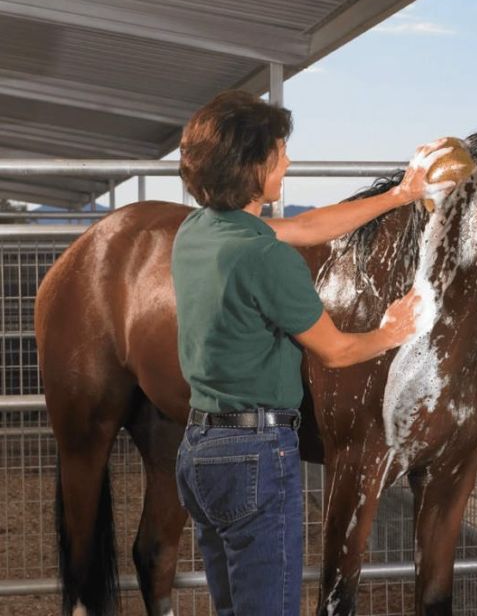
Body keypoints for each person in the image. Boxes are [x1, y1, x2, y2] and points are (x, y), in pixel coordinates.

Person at [171, 90, 455, 615]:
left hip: (201, 449)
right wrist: (392, 330)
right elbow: (339, 351)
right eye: (280, 153)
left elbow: (307, 227)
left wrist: (401, 194)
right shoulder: (264, 258)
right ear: (251, 165)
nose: (289, 161)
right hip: (256, 453)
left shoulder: (199, 231)